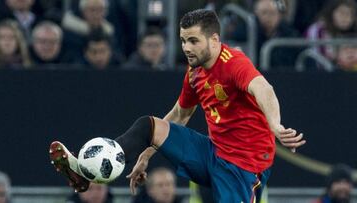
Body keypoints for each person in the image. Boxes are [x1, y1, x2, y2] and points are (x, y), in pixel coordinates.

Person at [49, 9, 305, 202]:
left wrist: (275, 124)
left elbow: (264, 89)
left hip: (244, 166)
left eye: (193, 41)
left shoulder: (233, 63)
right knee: (149, 127)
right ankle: (84, 175)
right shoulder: (195, 72)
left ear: (214, 40)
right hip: (213, 153)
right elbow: (181, 114)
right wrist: (145, 154)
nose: (186, 48)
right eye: (183, 41)